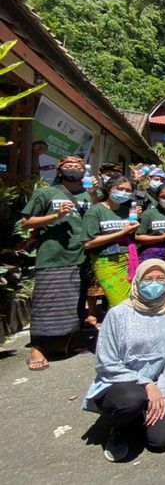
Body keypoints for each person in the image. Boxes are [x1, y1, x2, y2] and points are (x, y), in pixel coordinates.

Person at [82, 259, 165, 462]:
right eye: (148, 279)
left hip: (159, 383)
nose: (154, 283)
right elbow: (106, 363)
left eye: (160, 279)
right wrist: (147, 385)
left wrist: (162, 390)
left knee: (161, 441)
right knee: (131, 401)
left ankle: (140, 417)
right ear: (137, 281)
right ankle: (118, 427)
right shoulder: (118, 314)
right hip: (123, 383)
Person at [21, 155, 99, 370]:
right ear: (59, 171)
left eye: (78, 166)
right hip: (54, 256)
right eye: (69, 166)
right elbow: (26, 222)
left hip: (81, 256)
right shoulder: (46, 193)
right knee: (46, 302)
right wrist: (54, 216)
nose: (74, 168)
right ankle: (37, 347)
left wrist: (93, 194)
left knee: (75, 302)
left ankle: (67, 342)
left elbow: (97, 216)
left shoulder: (87, 195)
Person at [82, 175, 140, 307]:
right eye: (119, 188)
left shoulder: (128, 212)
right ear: (109, 189)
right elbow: (87, 243)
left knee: (131, 300)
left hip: (128, 260)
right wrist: (121, 232)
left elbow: (132, 236)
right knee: (119, 303)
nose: (123, 192)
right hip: (106, 262)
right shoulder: (96, 211)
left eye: (128, 190)